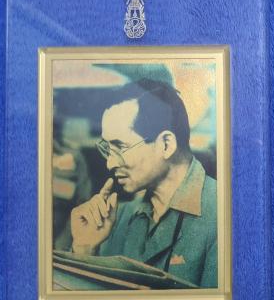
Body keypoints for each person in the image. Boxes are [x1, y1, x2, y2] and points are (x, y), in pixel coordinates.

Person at [69, 79, 218, 288]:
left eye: (120, 147)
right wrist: (85, 249)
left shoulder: (224, 214)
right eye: (107, 149)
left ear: (166, 145)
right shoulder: (116, 218)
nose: (110, 163)